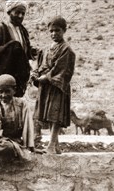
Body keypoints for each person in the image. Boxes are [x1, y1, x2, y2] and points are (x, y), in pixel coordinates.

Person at [31, 16, 76, 154]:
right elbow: (39, 65)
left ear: (64, 31)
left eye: (57, 30)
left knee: (55, 114)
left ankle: (51, 144)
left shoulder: (66, 50)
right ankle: (55, 145)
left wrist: (47, 77)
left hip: (57, 86)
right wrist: (35, 74)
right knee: (47, 114)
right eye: (51, 31)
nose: (54, 34)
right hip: (45, 85)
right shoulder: (45, 49)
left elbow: (61, 69)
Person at [0, 0, 36, 108]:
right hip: (2, 74)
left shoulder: (23, 31)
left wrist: (31, 51)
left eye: (23, 14)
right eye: (17, 13)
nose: (20, 16)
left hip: (17, 75)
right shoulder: (0, 29)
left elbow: (24, 50)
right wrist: (10, 48)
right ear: (9, 12)